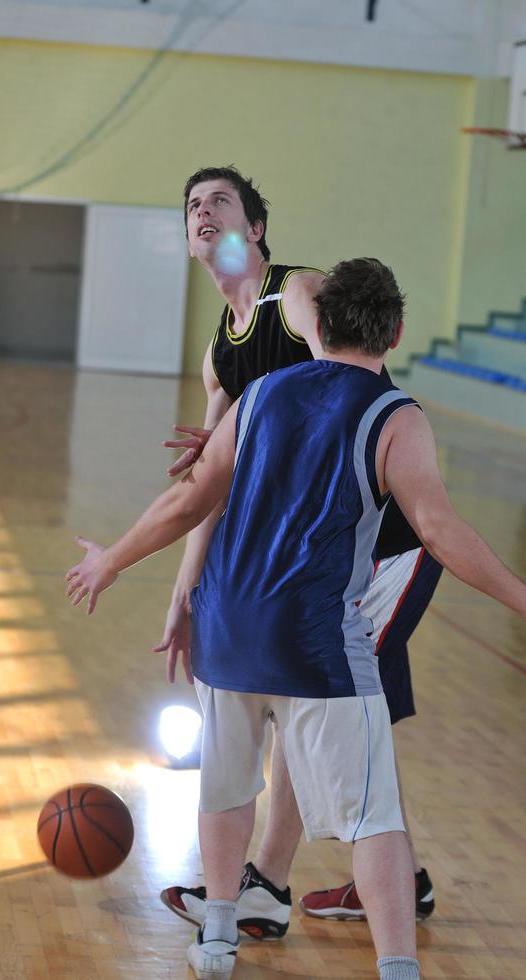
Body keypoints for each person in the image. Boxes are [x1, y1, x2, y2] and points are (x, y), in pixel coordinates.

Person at [66, 257, 526, 980]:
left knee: (224, 790)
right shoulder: (393, 413)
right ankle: (397, 969)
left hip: (224, 631)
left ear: (319, 325)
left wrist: (111, 560)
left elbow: (189, 503)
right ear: (395, 331)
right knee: (374, 819)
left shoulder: (259, 395)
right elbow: (436, 531)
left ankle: (217, 941)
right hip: (315, 643)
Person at [156, 166, 440, 935]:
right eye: (192, 207)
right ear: (189, 240)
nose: (203, 212)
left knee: (304, 696)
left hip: (376, 550)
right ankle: (391, 879)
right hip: (303, 567)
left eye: (220, 201)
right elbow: (210, 486)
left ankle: (265, 888)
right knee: (313, 702)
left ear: (255, 229)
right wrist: (190, 591)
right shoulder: (221, 357)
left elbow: (337, 390)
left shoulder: (298, 294)